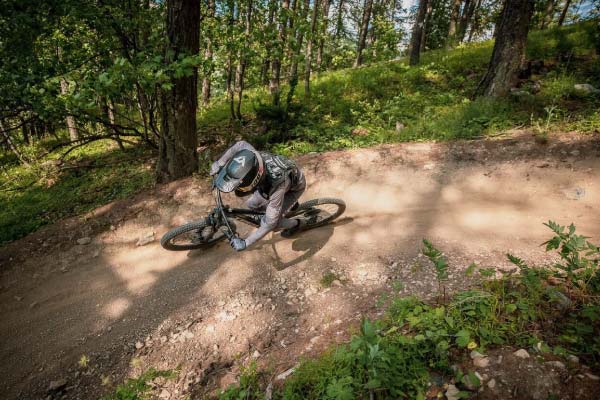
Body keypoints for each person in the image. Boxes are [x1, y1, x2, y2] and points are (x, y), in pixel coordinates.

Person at [210, 141, 306, 251]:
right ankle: (288, 208)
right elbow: (240, 145)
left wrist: (246, 242)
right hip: (281, 180)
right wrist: (220, 163)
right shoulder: (253, 156)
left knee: (275, 225)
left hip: (293, 188)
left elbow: (270, 223)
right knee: (252, 204)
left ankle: (297, 224)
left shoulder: (276, 186)